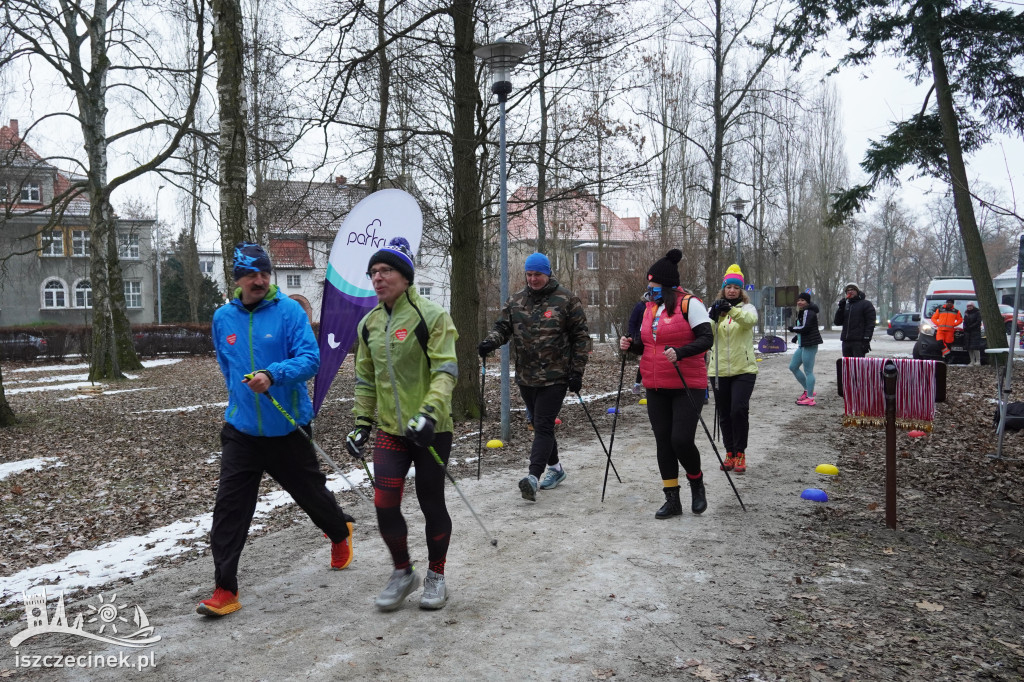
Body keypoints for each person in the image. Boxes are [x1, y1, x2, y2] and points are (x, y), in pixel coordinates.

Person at [198, 242, 354, 618]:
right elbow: (227, 365)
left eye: (265, 273)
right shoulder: (223, 318)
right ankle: (225, 588)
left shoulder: (288, 312)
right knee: (230, 509)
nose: (260, 280)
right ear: (237, 278)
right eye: (252, 274)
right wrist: (240, 396)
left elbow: (310, 359)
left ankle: (339, 531)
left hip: (287, 427)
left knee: (311, 495)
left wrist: (273, 374)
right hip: (242, 432)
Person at [347, 237, 459, 612]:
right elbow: (365, 378)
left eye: (386, 271)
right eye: (373, 273)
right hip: (392, 431)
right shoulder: (369, 324)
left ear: (405, 276)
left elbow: (446, 369)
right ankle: (402, 571)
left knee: (431, 501)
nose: (378, 278)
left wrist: (428, 412)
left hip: (432, 428)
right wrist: (362, 423)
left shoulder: (432, 316)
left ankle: (436, 575)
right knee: (384, 501)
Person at [479, 252, 591, 501]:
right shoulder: (516, 301)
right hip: (526, 377)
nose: (532, 279)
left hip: (556, 376)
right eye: (529, 274)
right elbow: (503, 328)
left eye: (537, 274)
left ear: (547, 273)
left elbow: (581, 338)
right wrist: (490, 343)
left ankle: (532, 476)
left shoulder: (566, 300)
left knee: (542, 425)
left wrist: (577, 371)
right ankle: (557, 469)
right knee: (540, 425)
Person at [619, 249, 713, 519]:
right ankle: (672, 499)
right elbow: (648, 346)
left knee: (681, 439)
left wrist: (681, 352)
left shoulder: (690, 304)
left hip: (687, 383)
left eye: (655, 288)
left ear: (669, 287)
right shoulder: (650, 309)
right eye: (649, 288)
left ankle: (696, 483)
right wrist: (631, 346)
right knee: (663, 442)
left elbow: (706, 339)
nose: (650, 292)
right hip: (655, 383)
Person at [707, 264, 758, 474]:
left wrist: (731, 310)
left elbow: (749, 322)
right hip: (719, 371)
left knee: (738, 409)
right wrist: (714, 316)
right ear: (723, 288)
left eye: (736, 288)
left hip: (744, 369)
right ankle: (729, 453)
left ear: (741, 290)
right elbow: (707, 335)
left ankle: (740, 453)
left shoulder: (747, 309)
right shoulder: (716, 309)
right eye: (728, 287)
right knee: (724, 413)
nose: (732, 291)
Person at [788, 291, 824, 406]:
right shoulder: (803, 312)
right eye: (798, 300)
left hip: (810, 344)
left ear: (807, 301)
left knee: (808, 371)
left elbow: (806, 327)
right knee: (793, 367)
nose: (800, 302)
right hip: (803, 343)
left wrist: (793, 329)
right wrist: (796, 337)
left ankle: (810, 398)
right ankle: (808, 390)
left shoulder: (809, 311)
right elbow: (805, 327)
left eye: (802, 300)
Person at [834, 282, 876, 357]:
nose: (850, 291)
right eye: (848, 290)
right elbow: (837, 322)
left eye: (853, 289)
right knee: (847, 366)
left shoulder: (866, 304)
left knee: (858, 366)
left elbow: (870, 323)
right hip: (846, 341)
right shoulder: (846, 306)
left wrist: (866, 339)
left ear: (857, 291)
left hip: (859, 342)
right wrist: (841, 308)